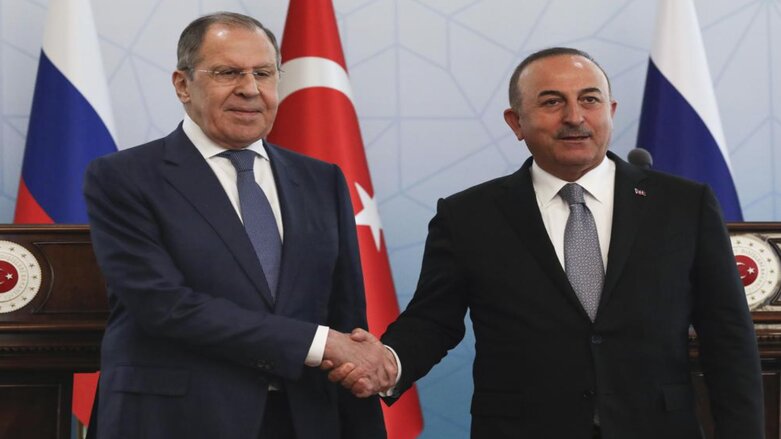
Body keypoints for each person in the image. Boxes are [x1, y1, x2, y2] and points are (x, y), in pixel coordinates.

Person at [329, 47, 765, 438]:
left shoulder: (683, 205)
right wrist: (389, 362)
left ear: (610, 111)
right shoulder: (468, 216)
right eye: (552, 102)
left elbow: (726, 336)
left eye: (590, 100)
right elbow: (433, 321)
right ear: (516, 122)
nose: (575, 116)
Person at [83, 12, 391, 439]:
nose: (250, 89)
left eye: (263, 73)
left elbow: (345, 311)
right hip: (177, 421)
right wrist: (319, 343)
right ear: (182, 84)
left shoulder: (322, 180)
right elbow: (163, 305)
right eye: (228, 72)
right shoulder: (124, 177)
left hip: (303, 418)